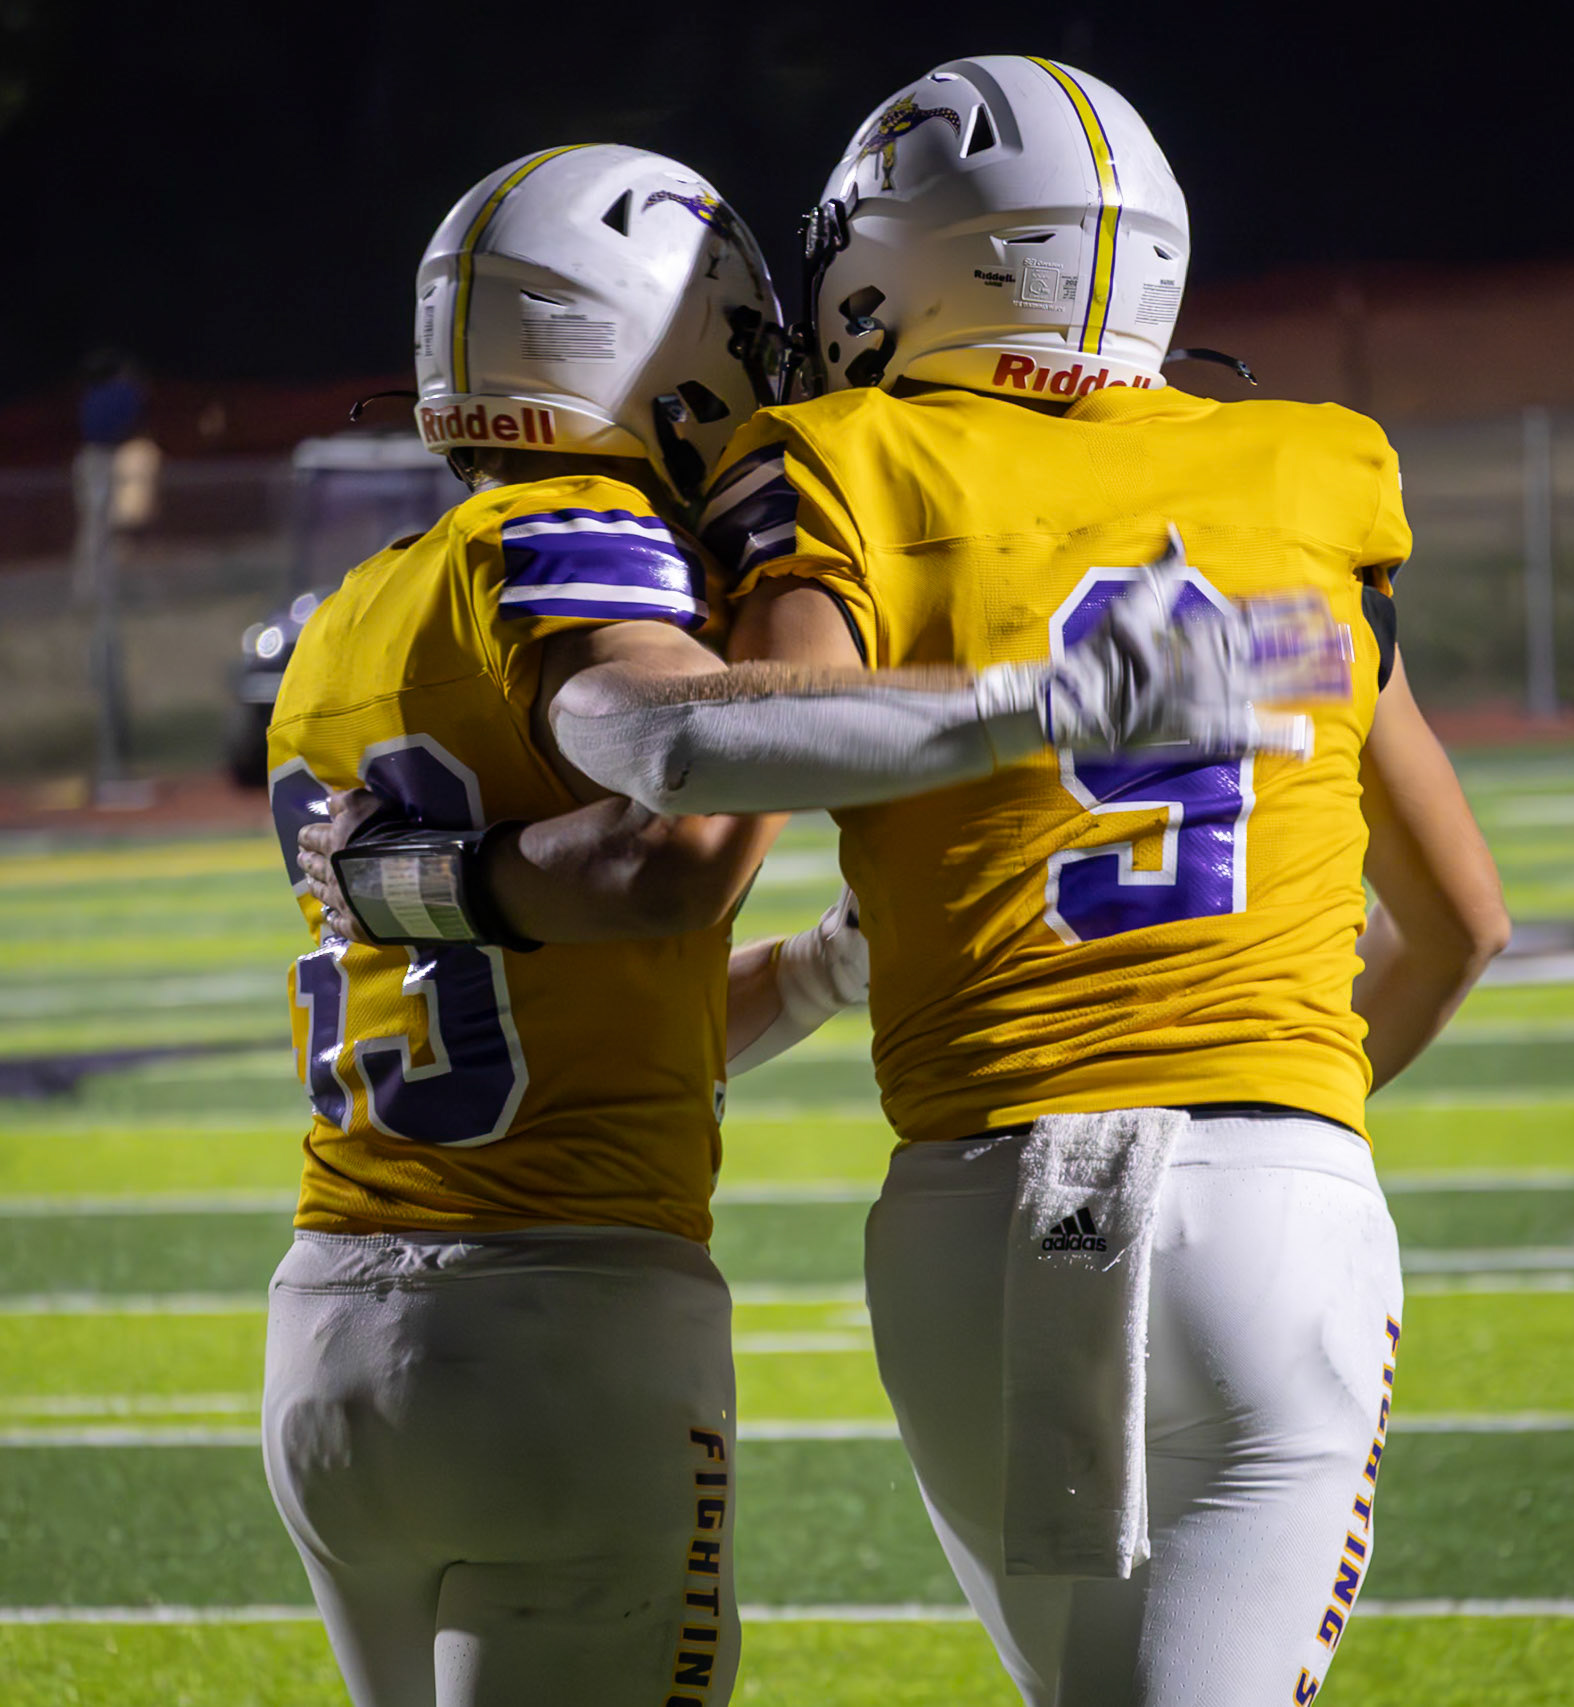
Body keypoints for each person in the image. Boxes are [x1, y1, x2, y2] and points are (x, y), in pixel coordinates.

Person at [267, 140, 1302, 1707]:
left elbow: (582, 1003)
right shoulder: (575, 534)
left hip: (332, 1336)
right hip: (567, 1318)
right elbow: (673, 835)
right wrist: (1037, 708)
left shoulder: (351, 614)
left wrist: (821, 969)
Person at [542, 55, 1510, 1707]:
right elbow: (1464, 924)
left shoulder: (844, 457)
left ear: (911, 259)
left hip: (976, 1204)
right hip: (1268, 1206)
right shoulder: (1315, 470)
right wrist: (1282, 1112)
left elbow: (740, 784)